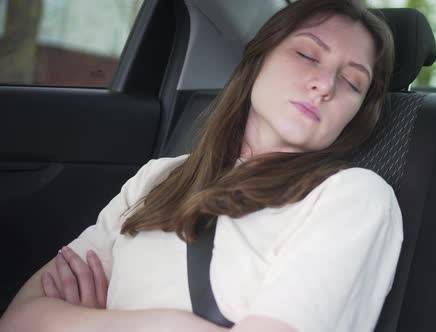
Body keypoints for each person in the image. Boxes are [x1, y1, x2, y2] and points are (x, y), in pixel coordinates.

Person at [0, 0, 402, 331]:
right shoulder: (158, 177)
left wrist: (97, 319)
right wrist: (170, 323)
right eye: (307, 54)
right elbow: (20, 319)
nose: (325, 85)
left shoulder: (352, 197)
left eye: (352, 82)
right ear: (257, 60)